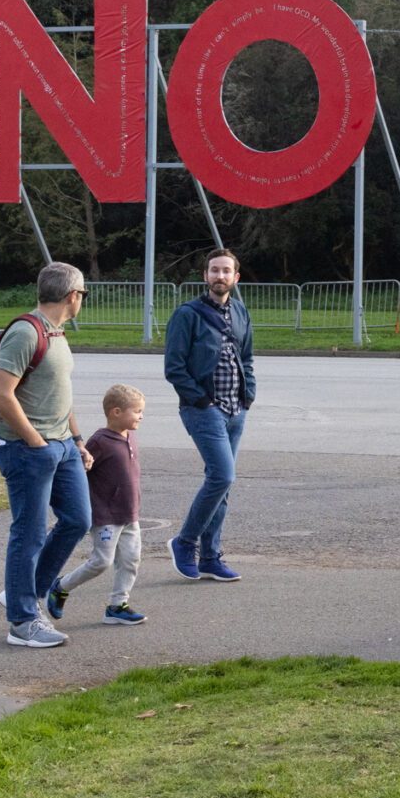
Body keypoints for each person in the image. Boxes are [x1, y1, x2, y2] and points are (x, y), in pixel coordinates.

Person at [0, 262, 94, 649]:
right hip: (27, 448)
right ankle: (22, 621)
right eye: (83, 294)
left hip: (62, 445)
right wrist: (35, 441)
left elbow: (58, 395)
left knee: (78, 520)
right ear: (72, 296)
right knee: (29, 533)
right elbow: (0, 393)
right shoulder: (24, 332)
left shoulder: (57, 333)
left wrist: (78, 441)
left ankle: (25, 590)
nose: (82, 299)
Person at [162, 248, 254, 583]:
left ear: (235, 277)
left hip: (235, 409)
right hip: (204, 410)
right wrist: (202, 400)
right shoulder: (188, 315)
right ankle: (185, 543)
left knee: (223, 485)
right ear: (205, 276)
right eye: (214, 270)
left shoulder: (241, 312)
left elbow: (247, 358)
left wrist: (249, 395)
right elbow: (174, 368)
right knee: (222, 476)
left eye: (226, 271)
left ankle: (210, 557)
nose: (220, 276)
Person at [46, 385, 148, 627]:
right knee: (101, 562)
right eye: (137, 411)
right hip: (106, 515)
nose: (141, 416)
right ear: (116, 412)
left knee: (131, 560)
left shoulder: (129, 435)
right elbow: (81, 471)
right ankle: (60, 587)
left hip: (129, 513)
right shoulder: (99, 441)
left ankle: (116, 606)